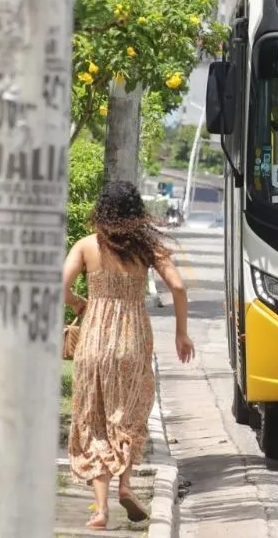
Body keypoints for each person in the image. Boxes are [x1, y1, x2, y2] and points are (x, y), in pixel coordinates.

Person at [61, 180, 195, 530]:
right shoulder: (147, 249)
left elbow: (59, 286)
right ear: (136, 213)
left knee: (94, 420)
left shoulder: (87, 246)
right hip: (132, 339)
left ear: (101, 210)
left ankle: (101, 510)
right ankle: (125, 485)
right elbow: (178, 287)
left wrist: (78, 304)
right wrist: (181, 333)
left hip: (93, 340)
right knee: (130, 415)